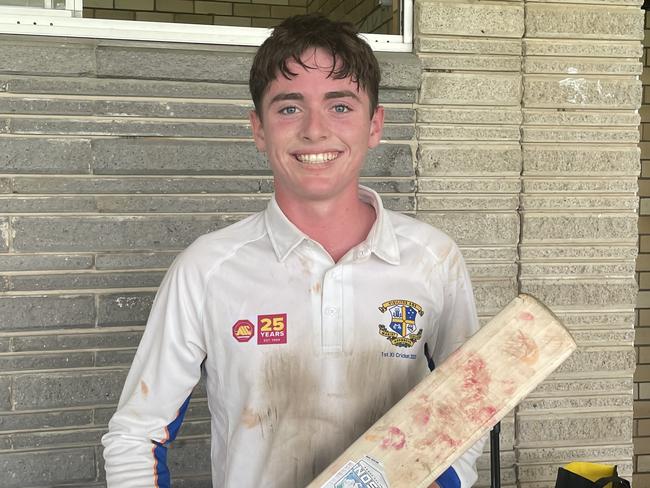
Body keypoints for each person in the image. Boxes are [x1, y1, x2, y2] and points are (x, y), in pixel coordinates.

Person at [102, 13, 485, 488]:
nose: (314, 130)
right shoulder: (207, 268)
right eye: (289, 108)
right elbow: (137, 434)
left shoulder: (433, 260)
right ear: (258, 129)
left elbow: (469, 409)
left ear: (375, 126)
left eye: (340, 106)